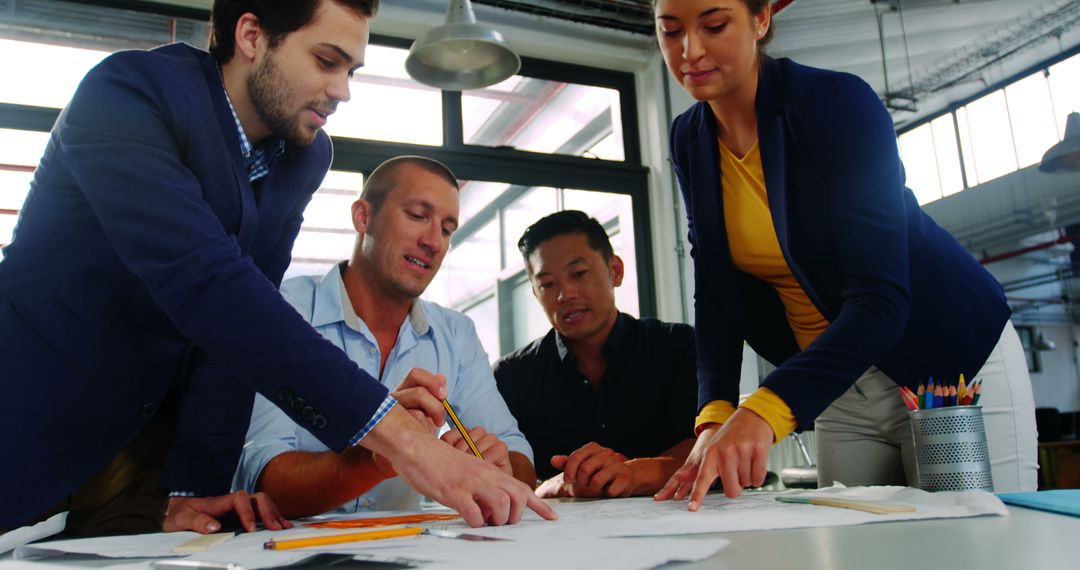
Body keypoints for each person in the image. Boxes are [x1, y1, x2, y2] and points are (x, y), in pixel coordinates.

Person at [0, 0, 553, 535]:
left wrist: (192, 486)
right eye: (326, 61)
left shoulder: (303, 156)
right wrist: (410, 444)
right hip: (28, 419)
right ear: (251, 37)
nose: (342, 91)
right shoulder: (129, 93)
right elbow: (211, 286)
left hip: (137, 461)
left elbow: (234, 337)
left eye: (352, 70)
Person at [650, 0, 1038, 510]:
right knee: (860, 551)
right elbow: (717, 292)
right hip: (834, 383)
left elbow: (880, 299)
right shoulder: (690, 138)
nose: (689, 50)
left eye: (715, 25)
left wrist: (765, 411)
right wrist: (715, 416)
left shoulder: (835, 104)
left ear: (762, 18)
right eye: (670, 30)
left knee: (985, 544)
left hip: (947, 371)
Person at [233, 156, 538, 517]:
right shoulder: (283, 310)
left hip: (405, 550)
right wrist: (392, 448)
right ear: (363, 217)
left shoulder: (456, 334)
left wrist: (499, 466)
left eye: (447, 229)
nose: (433, 242)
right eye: (417, 216)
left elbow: (520, 459)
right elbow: (264, 478)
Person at [494, 210, 698, 498]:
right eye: (548, 284)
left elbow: (707, 443)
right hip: (560, 536)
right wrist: (549, 487)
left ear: (615, 270)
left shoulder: (677, 346)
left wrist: (632, 474)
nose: (565, 295)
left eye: (578, 274)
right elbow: (503, 474)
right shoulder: (512, 376)